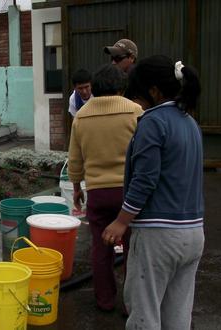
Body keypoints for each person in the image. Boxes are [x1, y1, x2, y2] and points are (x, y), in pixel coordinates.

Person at [103, 55, 204, 329]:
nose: (136, 102)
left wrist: (121, 221)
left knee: (144, 311)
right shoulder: (190, 123)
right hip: (193, 232)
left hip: (159, 236)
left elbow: (145, 179)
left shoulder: (153, 122)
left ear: (154, 92)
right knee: (178, 313)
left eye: (137, 95)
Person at [67, 64, 143, 311]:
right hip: (130, 193)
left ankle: (105, 300)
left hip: (98, 192)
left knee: (101, 249)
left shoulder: (82, 115)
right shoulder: (136, 112)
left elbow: (75, 158)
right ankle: (132, 303)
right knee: (135, 249)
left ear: (94, 89)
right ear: (122, 88)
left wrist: (77, 187)